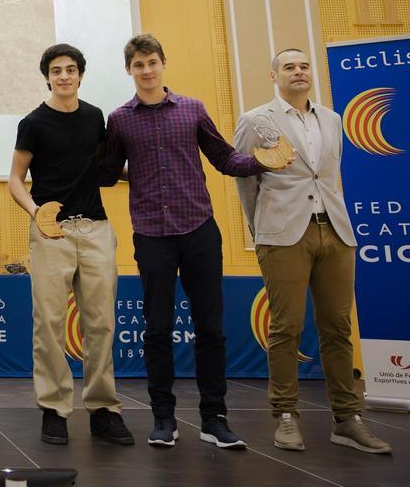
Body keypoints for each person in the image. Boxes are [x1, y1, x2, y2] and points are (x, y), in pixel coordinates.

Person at [99, 33, 290, 450]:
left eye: (152, 62)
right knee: (157, 329)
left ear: (163, 63)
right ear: (128, 70)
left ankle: (213, 418)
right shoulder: (119, 119)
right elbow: (108, 170)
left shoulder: (192, 109)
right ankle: (163, 419)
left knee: (211, 329)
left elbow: (225, 158)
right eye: (138, 65)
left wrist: (263, 160)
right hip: (151, 235)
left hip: (200, 230)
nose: (146, 70)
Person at [234, 48, 391, 454]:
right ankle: (285, 415)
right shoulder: (256, 120)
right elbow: (245, 183)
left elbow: (329, 174)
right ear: (274, 76)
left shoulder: (333, 119)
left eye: (304, 66)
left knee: (337, 327)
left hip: (335, 231)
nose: (299, 72)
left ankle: (347, 418)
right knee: (285, 328)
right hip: (283, 233)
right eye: (289, 67)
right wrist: (261, 229)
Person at [9, 44, 134, 446]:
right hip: (51, 234)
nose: (64, 76)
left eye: (71, 69)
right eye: (56, 70)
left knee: (101, 322)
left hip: (95, 229)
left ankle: (102, 409)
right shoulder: (33, 122)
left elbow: (102, 169)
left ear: (80, 75)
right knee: (49, 324)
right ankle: (54, 408)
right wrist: (35, 213)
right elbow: (15, 179)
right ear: (47, 76)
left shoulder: (95, 117)